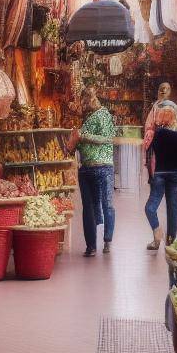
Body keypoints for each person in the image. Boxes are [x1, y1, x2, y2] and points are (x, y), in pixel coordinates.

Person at [67, 87, 116, 257]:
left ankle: (107, 240)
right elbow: (81, 143)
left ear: (89, 100)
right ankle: (91, 246)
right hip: (86, 168)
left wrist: (83, 137)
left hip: (103, 167)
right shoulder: (87, 119)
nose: (82, 107)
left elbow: (107, 138)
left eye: (83, 103)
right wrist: (73, 144)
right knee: (88, 208)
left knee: (106, 204)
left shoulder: (103, 115)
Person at [145, 106, 177, 250]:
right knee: (173, 208)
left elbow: (152, 149)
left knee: (150, 208)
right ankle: (170, 241)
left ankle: (157, 236)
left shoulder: (159, 133)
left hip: (160, 174)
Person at [143, 82, 177, 179]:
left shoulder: (156, 106)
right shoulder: (173, 106)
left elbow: (149, 124)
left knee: (156, 161)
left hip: (159, 137)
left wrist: (150, 133)